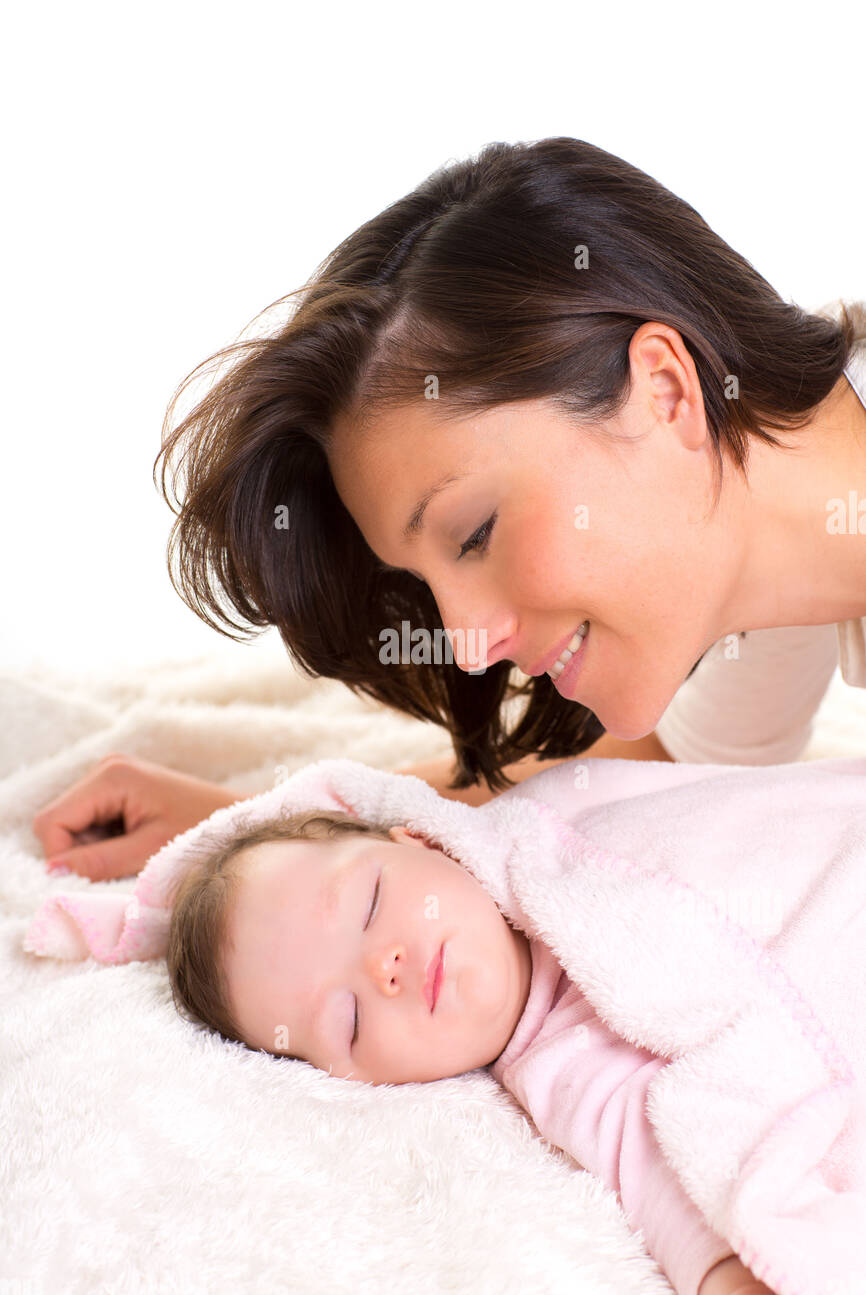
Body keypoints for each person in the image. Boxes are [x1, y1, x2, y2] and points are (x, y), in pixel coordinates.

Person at [31, 136, 866, 880]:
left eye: (474, 533)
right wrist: (259, 828)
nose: (469, 647)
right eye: (425, 583)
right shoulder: (770, 556)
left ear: (664, 390)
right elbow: (662, 761)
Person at [163, 798, 782, 1295]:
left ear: (420, 839)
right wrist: (724, 1277)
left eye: (371, 902)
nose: (386, 967)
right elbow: (655, 1167)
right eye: (347, 1020)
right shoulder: (566, 1070)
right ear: (356, 1081)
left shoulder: (544, 824)